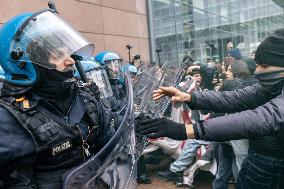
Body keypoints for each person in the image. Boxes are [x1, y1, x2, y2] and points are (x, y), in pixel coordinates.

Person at [138, 29, 284, 189]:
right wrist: (190, 97)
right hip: (258, 162)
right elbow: (235, 97)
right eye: (257, 65)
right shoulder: (270, 87)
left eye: (264, 65)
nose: (257, 71)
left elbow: (258, 119)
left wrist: (184, 130)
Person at [0, 10, 116, 189]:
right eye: (59, 55)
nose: (70, 61)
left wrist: (142, 122)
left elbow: (112, 131)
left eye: (69, 54)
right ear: (26, 62)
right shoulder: (8, 118)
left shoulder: (84, 99)